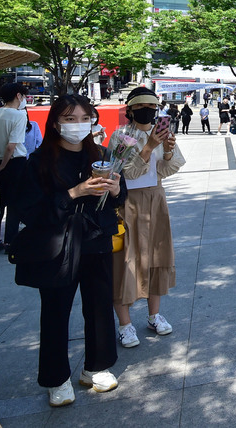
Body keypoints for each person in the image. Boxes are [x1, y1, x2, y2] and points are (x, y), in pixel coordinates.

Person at [15, 94, 126, 407]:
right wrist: (75, 192)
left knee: (99, 307)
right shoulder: (38, 161)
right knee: (55, 312)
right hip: (58, 248)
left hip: (97, 243)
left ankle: (96, 367)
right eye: (70, 119)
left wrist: (116, 189)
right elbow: (30, 210)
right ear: (55, 123)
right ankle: (57, 379)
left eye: (84, 118)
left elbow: (119, 198)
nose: (78, 125)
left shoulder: (102, 154)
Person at [111, 87, 186, 348]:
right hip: (127, 202)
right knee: (125, 260)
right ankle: (125, 324)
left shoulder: (160, 133)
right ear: (129, 110)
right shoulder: (121, 136)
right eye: (142, 107)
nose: (149, 112)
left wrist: (166, 150)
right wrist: (150, 146)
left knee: (157, 256)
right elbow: (125, 173)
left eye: (153, 108)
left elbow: (166, 170)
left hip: (155, 198)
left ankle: (154, 315)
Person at [0, 83, 29, 254]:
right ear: (18, 95)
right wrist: (3, 165)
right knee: (15, 203)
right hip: (15, 163)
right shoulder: (19, 116)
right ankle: (11, 242)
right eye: (24, 95)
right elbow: (11, 146)